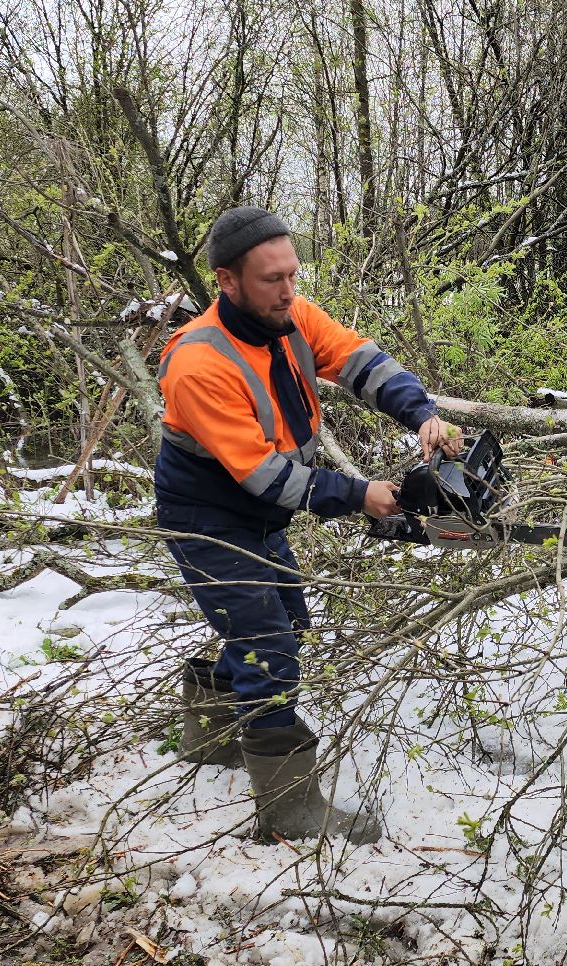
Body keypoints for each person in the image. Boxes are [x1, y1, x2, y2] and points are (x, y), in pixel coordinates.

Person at [156, 206, 461, 845]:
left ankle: (212, 739)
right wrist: (360, 496)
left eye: (293, 274)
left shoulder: (289, 317)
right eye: (272, 279)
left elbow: (361, 362)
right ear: (227, 282)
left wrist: (423, 415)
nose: (289, 290)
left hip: (258, 511)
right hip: (209, 512)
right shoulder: (198, 363)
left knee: (284, 618)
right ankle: (287, 807)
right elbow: (265, 476)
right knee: (267, 640)